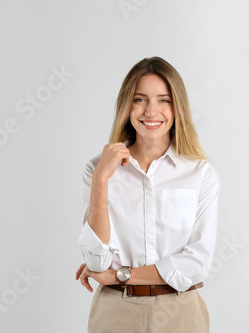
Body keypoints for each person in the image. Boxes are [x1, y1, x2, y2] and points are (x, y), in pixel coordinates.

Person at [75, 56, 220, 332]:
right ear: (126, 106)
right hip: (115, 311)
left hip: (181, 310)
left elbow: (197, 263)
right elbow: (96, 262)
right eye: (140, 99)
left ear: (177, 108)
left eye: (164, 100)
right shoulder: (97, 169)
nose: (151, 111)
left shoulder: (200, 174)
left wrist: (119, 275)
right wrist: (101, 179)